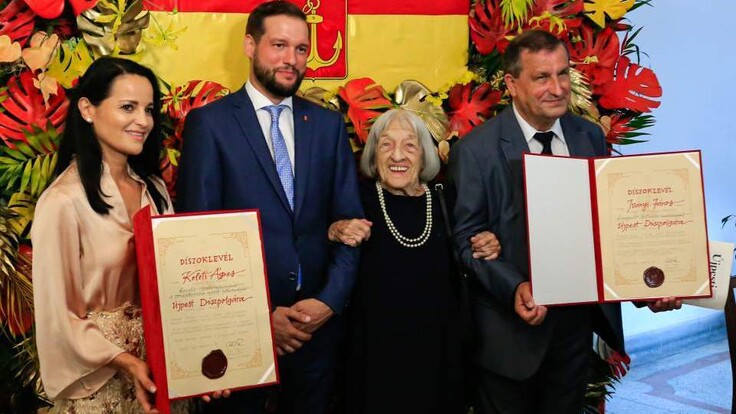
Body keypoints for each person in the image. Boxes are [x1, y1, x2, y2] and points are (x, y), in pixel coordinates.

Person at [448, 30, 681, 414]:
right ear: (512, 84)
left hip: (574, 333)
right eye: (542, 77)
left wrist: (650, 284)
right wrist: (515, 286)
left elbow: (608, 224)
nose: (557, 88)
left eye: (562, 74)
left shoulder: (589, 135)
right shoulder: (476, 151)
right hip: (510, 341)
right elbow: (465, 242)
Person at [175, 1, 363, 413]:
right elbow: (197, 242)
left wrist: (329, 302)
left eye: (300, 48)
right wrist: (259, 318)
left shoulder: (328, 126)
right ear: (249, 45)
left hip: (317, 331)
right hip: (238, 336)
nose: (291, 59)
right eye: (279, 45)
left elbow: (351, 225)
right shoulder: (211, 125)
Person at [31, 57, 187, 413]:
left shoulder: (154, 190)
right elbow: (59, 315)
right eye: (128, 108)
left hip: (161, 375)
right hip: (100, 384)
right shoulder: (63, 201)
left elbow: (179, 284)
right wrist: (126, 361)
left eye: (149, 109)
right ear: (87, 108)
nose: (143, 121)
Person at [328, 109, 500, 414]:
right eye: (386, 145)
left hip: (439, 356)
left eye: (410, 145)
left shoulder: (446, 199)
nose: (398, 155)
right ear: (373, 153)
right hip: (374, 357)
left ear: (424, 155)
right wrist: (335, 229)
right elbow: (314, 234)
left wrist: (487, 242)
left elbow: (470, 243)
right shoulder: (358, 198)